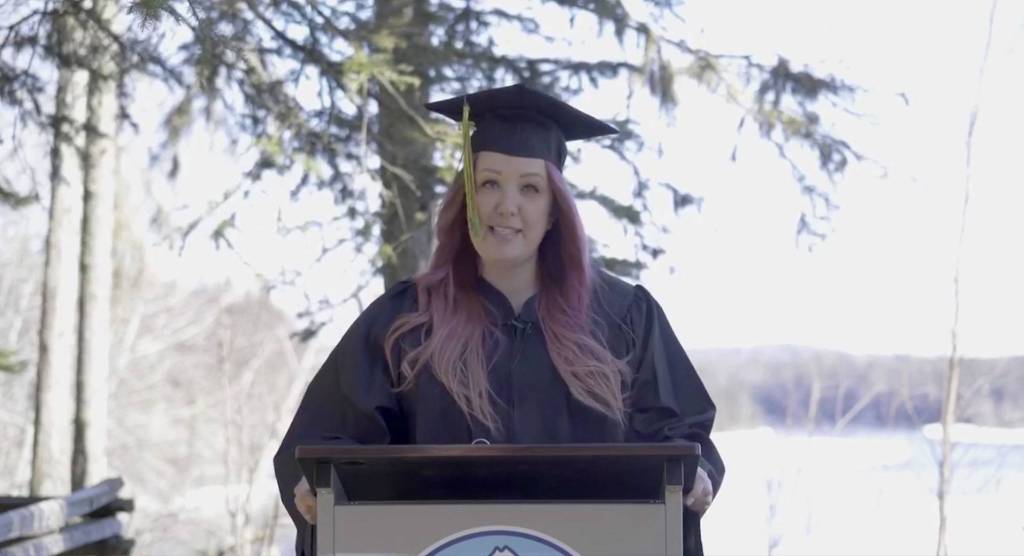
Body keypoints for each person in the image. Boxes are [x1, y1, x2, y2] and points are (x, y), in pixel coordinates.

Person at [273, 83, 724, 555]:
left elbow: (680, 436)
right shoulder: (406, 321)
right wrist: (313, 485)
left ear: (554, 211)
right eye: (488, 182)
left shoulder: (623, 316)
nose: (507, 206)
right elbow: (328, 442)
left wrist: (696, 475)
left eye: (530, 188)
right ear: (465, 197)